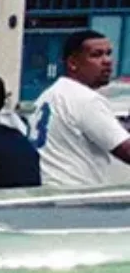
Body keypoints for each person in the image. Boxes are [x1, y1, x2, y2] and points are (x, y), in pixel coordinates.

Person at [30, 29, 130, 187]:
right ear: (72, 63)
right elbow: (126, 150)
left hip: (47, 193)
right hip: (74, 198)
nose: (107, 61)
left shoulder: (48, 95)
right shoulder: (85, 99)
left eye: (108, 53)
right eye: (96, 55)